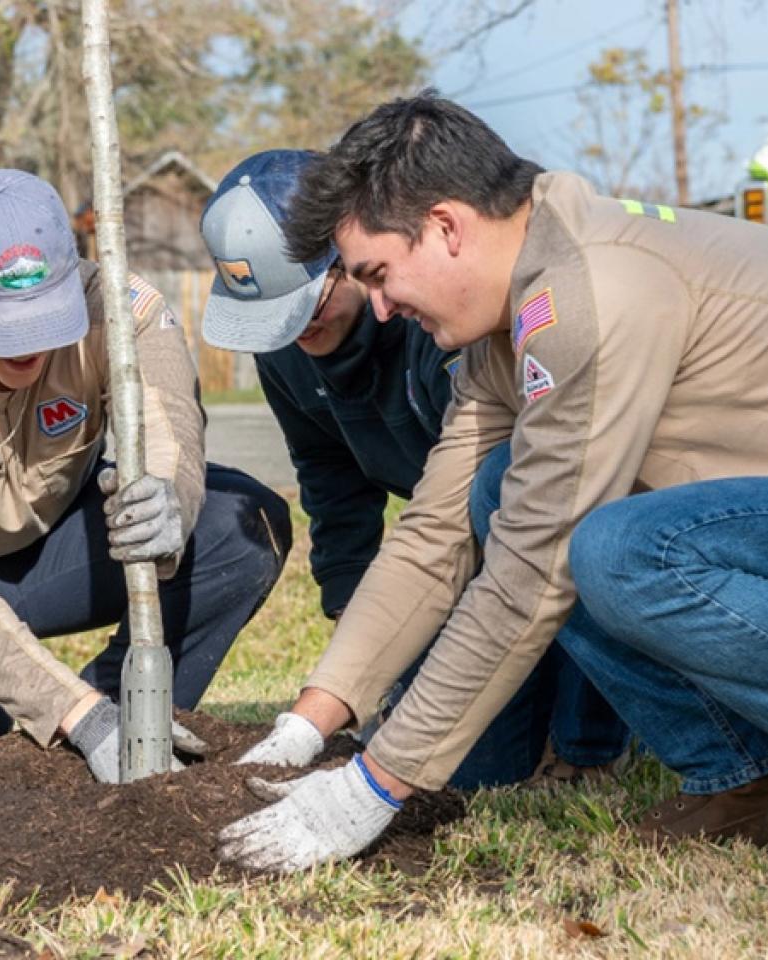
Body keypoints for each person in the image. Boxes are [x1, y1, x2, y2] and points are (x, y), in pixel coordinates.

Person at [218, 91, 768, 872]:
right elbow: (435, 530)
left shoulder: (588, 293)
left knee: (615, 549)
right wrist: (311, 724)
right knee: (495, 491)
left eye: (380, 275)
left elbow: (537, 563)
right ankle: (760, 774)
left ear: (448, 226)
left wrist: (374, 787)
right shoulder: (507, 324)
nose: (382, 310)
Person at [0, 168, 291, 782]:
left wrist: (167, 502)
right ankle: (79, 722)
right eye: (3, 322)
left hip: (60, 547)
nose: (29, 345)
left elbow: (168, 426)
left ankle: (124, 712)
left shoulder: (121, 311)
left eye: (47, 314)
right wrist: (79, 716)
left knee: (242, 525)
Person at [200, 149, 626, 788]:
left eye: (308, 303)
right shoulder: (285, 355)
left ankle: (588, 742)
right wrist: (351, 678)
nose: (297, 331)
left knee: (507, 496)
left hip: (519, 521)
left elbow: (512, 507)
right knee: (477, 770)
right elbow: (330, 482)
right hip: (453, 545)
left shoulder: (434, 322)